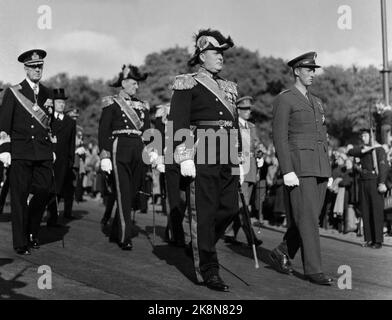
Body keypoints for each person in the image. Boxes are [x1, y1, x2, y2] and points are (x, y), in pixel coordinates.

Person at [168, 29, 241, 292]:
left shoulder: (228, 87)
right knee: (205, 211)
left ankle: (200, 241)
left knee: (231, 208)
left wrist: (239, 158)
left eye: (222, 52)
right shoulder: (188, 83)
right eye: (216, 52)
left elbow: (234, 125)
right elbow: (178, 121)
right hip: (203, 147)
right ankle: (209, 270)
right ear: (202, 55)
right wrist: (184, 155)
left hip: (227, 150)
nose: (221, 57)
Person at [269, 52, 333, 285]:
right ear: (296, 71)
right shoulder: (285, 99)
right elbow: (280, 137)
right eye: (308, 70)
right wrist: (287, 170)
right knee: (308, 220)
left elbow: (323, 137)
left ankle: (282, 251)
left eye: (314, 70)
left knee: (308, 217)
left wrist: (329, 170)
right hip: (300, 166)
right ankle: (313, 270)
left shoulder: (316, 101)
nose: (312, 74)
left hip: (319, 166)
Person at [0, 49, 55, 255]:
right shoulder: (14, 92)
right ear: (26, 68)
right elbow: (4, 124)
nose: (37, 70)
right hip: (21, 151)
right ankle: (21, 241)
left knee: (43, 191)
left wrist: (53, 148)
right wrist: (5, 148)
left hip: (42, 151)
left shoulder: (48, 93)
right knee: (19, 197)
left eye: (40, 66)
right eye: (33, 67)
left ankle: (32, 230)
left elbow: (52, 126)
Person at [98, 64, 158, 250]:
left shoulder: (142, 106)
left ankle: (117, 228)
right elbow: (103, 131)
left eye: (137, 83)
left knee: (132, 194)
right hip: (119, 148)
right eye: (133, 83)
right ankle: (124, 237)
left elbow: (147, 131)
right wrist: (105, 155)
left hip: (138, 150)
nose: (137, 87)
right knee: (123, 192)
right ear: (123, 83)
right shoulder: (112, 103)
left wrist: (153, 150)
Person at [224, 96, 263, 247]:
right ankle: (251, 237)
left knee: (241, 204)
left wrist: (260, 153)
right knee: (243, 206)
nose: (248, 112)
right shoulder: (233, 126)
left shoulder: (251, 127)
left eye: (249, 109)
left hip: (251, 169)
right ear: (238, 110)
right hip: (240, 169)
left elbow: (257, 144)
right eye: (245, 109)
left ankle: (229, 233)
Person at [347, 129, 388, 248]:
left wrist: (381, 182)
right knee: (366, 211)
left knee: (376, 211)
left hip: (374, 182)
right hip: (363, 182)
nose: (363, 138)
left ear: (372, 137)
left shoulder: (379, 150)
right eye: (362, 136)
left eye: (365, 135)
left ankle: (378, 240)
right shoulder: (362, 150)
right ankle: (369, 239)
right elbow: (350, 151)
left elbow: (383, 167)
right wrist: (366, 149)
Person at [46, 88, 77, 226]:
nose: (62, 105)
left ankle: (52, 218)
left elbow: (72, 143)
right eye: (58, 102)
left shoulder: (70, 122)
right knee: (47, 188)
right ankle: (45, 214)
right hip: (49, 158)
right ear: (53, 103)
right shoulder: (48, 119)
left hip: (63, 160)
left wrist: (71, 160)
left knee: (58, 189)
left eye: (63, 102)